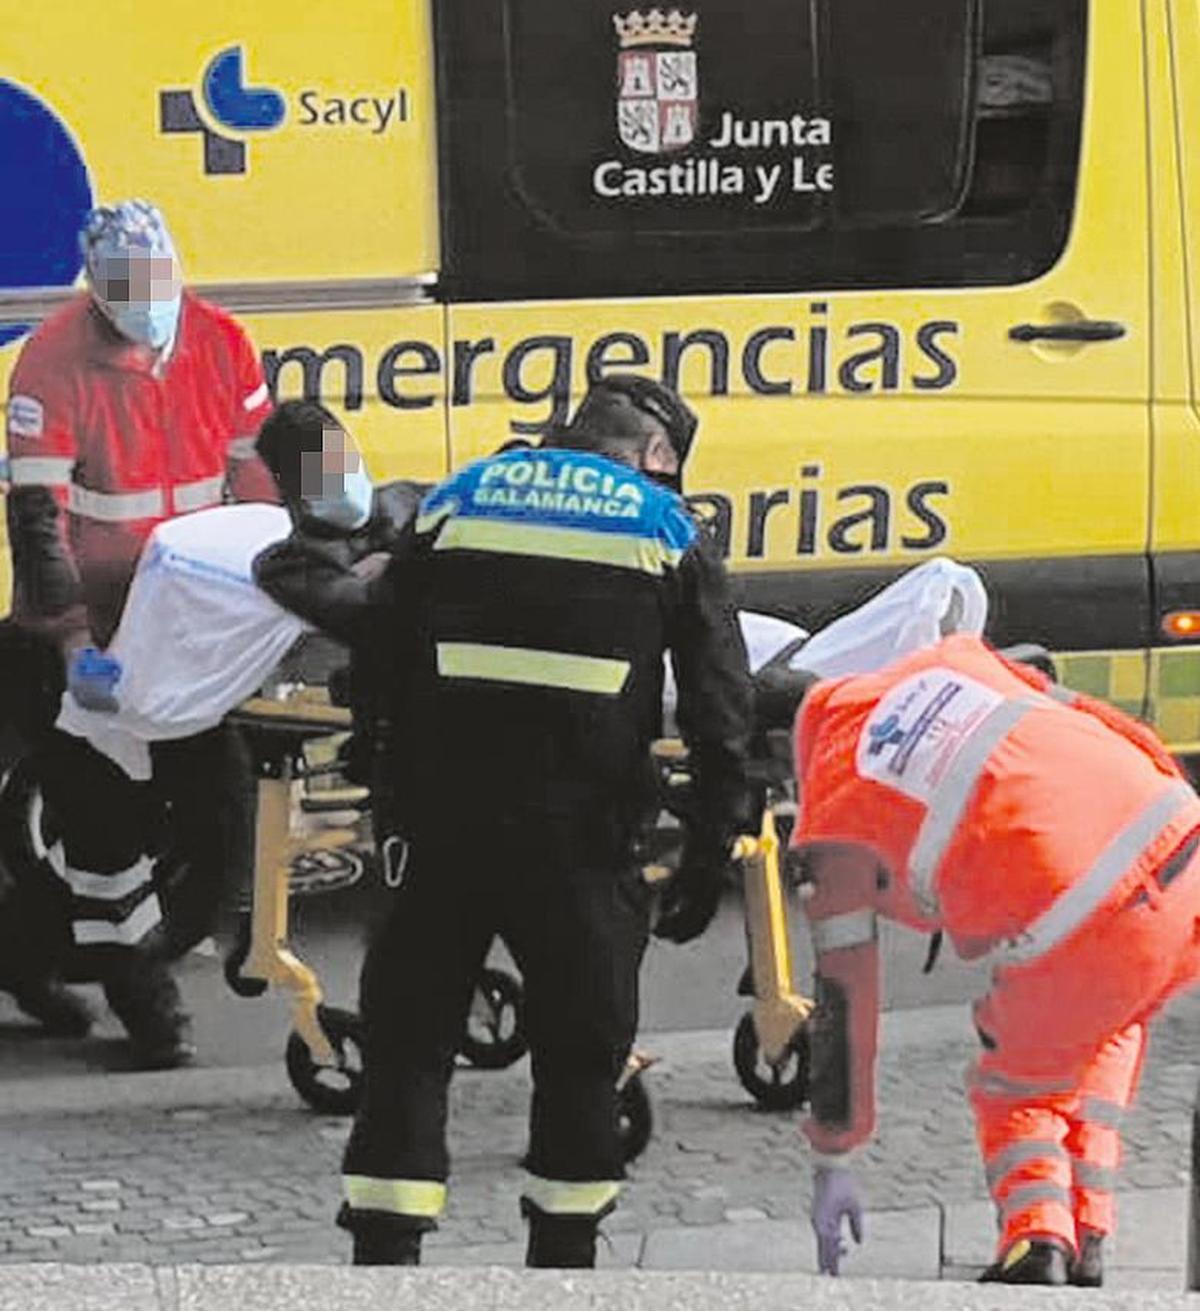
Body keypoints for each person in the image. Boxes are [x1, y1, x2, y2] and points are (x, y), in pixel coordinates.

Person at [257, 377, 753, 1268]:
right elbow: (721, 710)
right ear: (657, 459)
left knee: (409, 1043)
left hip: (439, 824)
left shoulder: (461, 498)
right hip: (583, 838)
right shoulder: (666, 529)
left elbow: (384, 640)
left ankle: (385, 1256)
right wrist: (708, 851)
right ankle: (561, 1263)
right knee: (579, 1051)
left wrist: (380, 761)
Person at [788, 632, 1200, 1286]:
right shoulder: (954, 660)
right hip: (1180, 841)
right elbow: (1098, 717)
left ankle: (1036, 1241)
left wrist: (834, 1157)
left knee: (1016, 1085)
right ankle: (1089, 1229)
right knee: (1105, 1025)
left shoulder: (834, 809)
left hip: (1080, 913)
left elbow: (844, 1006)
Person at [2, 199, 279, 1066]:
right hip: (91, 632)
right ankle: (146, 998)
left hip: (188, 623)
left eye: (159, 282)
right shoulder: (52, 362)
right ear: (95, 291)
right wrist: (71, 641)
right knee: (104, 833)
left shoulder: (221, 341)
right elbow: (37, 520)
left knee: (219, 819)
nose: (150, 303)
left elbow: (261, 465)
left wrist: (286, 571)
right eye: (129, 289)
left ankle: (28, 955)